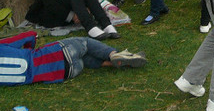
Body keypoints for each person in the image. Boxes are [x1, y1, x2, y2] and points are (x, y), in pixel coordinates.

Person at [0, 31, 146, 87]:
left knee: (83, 57)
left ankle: (111, 64)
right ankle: (114, 55)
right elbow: (28, 36)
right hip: (59, 53)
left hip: (67, 72)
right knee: (85, 42)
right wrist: (28, 47)